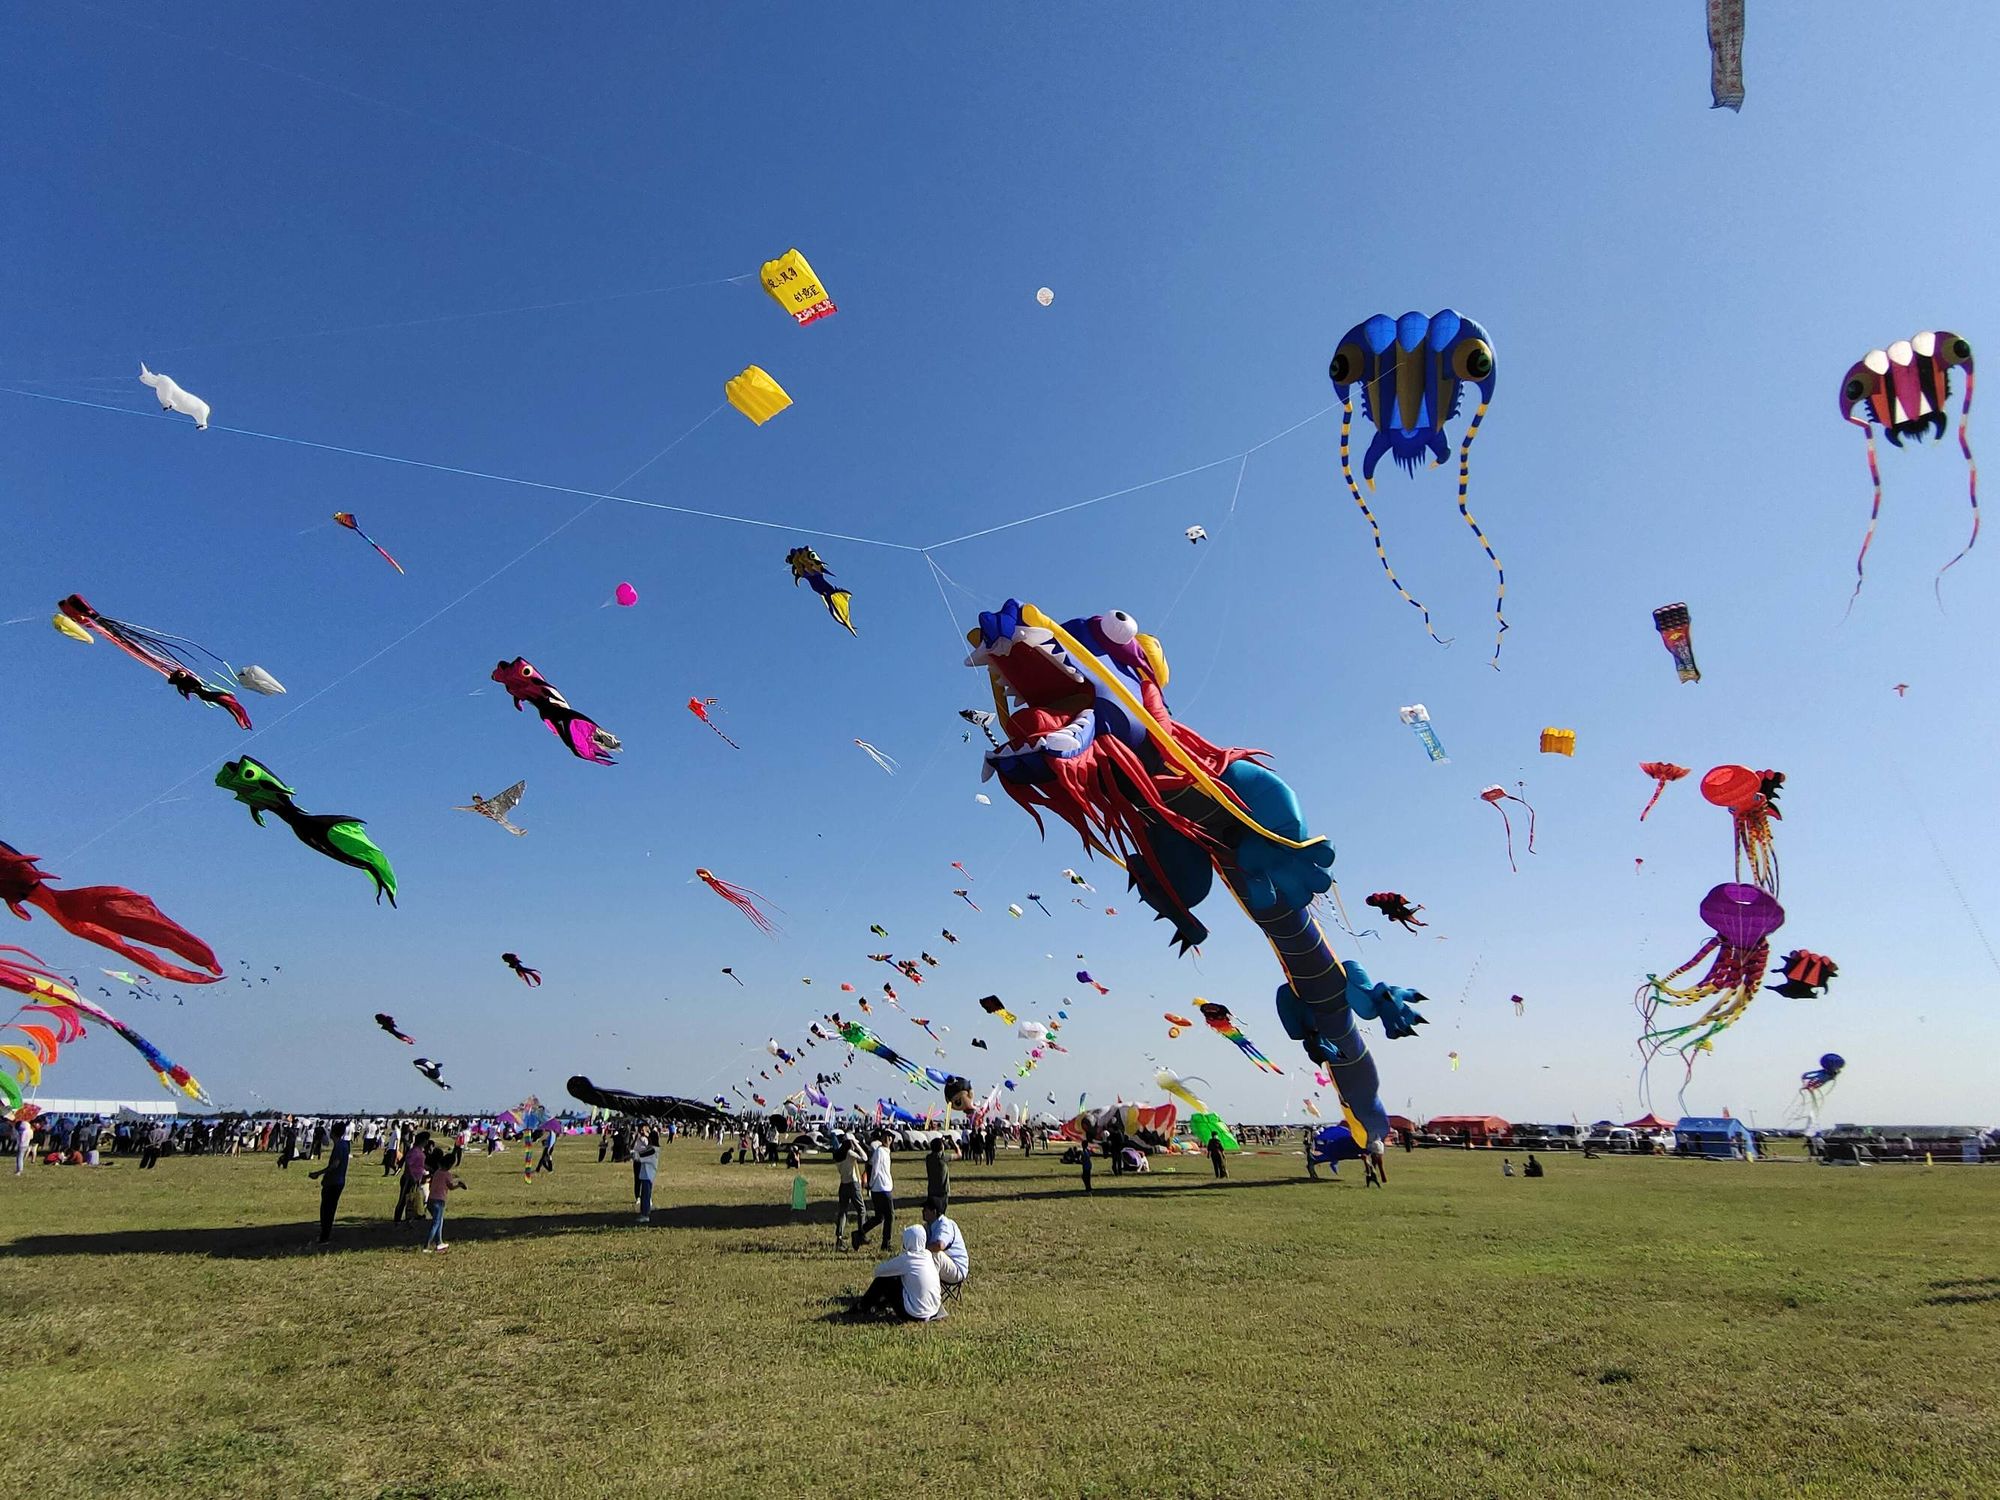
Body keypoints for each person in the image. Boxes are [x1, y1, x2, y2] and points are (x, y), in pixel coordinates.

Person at [849, 1224, 942, 1322]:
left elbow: (878, 1271)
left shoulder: (906, 1259)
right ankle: (876, 1306)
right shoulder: (928, 1256)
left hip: (914, 1314)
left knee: (884, 1280)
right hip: (934, 1310)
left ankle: (862, 1306)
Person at [852, 1133, 895, 1251]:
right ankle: (886, 1243)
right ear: (881, 1139)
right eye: (886, 1138)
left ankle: (859, 1233)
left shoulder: (886, 1151)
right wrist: (870, 1183)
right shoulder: (880, 1152)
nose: (888, 1140)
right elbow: (875, 1168)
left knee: (879, 1217)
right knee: (890, 1216)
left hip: (883, 1187)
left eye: (890, 1138)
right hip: (881, 1188)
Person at [309, 1123, 351, 1243]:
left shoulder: (339, 1147)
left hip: (333, 1182)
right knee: (330, 1209)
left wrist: (319, 1173)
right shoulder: (343, 1145)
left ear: (332, 1133)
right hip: (339, 1181)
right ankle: (326, 1233)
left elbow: (335, 1165)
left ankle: (324, 1236)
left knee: (326, 1210)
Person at [423, 1144, 463, 1252]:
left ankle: (439, 1242)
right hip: (439, 1201)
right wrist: (459, 1185)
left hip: (431, 1200)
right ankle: (426, 1246)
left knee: (439, 1221)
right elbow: (450, 1187)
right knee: (436, 1223)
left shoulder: (436, 1172)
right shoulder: (447, 1174)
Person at [831, 1132, 864, 1249]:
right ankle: (861, 1234)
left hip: (843, 1184)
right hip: (853, 1184)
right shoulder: (850, 1153)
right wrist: (857, 1145)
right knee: (861, 1210)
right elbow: (865, 1157)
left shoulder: (838, 1155)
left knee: (843, 1212)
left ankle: (839, 1237)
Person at [925, 1201, 968, 1289]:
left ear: (934, 1212)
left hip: (957, 1270)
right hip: (946, 1265)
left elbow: (939, 1246)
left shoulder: (944, 1224)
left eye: (926, 1210)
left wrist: (921, 1249)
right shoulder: (928, 1226)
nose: (923, 1212)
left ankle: (931, 1292)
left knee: (935, 1254)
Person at [395, 1132, 431, 1225]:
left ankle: (411, 1217)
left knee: (413, 1199)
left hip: (415, 1179)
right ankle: (397, 1219)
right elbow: (409, 1164)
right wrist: (413, 1177)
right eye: (426, 1140)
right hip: (409, 1178)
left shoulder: (419, 1151)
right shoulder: (414, 1151)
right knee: (403, 1199)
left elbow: (420, 1165)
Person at [632, 1129, 659, 1224]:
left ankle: (645, 1215)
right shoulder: (653, 1148)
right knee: (645, 1195)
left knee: (645, 1196)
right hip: (647, 1175)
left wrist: (631, 1153)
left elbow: (639, 1156)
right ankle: (645, 1212)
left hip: (647, 1175)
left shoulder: (652, 1150)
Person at [925, 1137, 950, 1211]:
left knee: (932, 1213)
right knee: (941, 1214)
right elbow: (959, 1154)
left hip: (932, 1190)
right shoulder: (943, 1158)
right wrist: (951, 1141)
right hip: (942, 1191)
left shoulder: (928, 1158)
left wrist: (939, 1141)